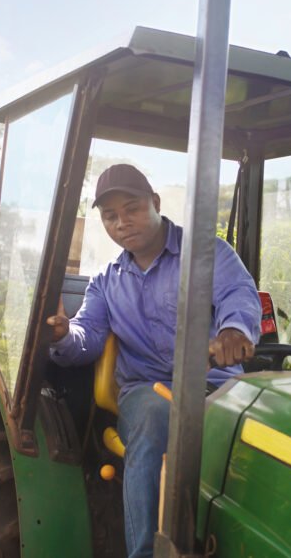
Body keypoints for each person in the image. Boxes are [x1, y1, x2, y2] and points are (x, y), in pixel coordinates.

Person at [47, 164, 261, 558]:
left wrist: (234, 331)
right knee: (156, 414)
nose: (121, 223)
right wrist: (62, 335)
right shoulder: (106, 282)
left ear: (156, 204)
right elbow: (88, 337)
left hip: (217, 384)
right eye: (110, 216)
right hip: (147, 391)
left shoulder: (206, 253)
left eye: (132, 209)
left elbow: (238, 294)